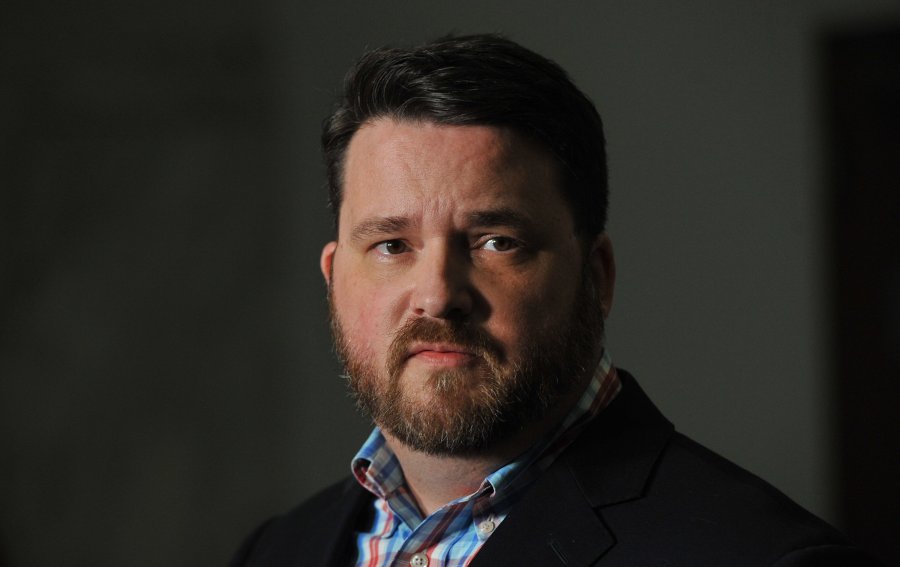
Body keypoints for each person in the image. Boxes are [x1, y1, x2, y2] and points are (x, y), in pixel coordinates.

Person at [231, 34, 879, 566]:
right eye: (392, 245)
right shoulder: (276, 550)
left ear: (596, 276)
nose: (436, 294)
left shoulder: (766, 557)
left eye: (495, 241)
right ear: (334, 274)